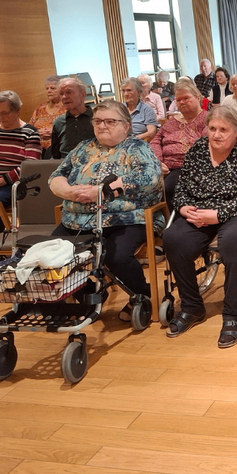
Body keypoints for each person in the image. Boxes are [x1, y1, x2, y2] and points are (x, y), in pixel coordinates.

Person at [161, 105, 237, 347]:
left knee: (233, 243)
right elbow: (181, 187)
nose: (216, 134)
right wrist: (182, 207)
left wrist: (219, 214)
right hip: (200, 211)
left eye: (224, 129)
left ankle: (232, 315)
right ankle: (192, 307)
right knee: (173, 238)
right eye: (212, 128)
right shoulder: (197, 151)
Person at [48, 100, 163, 320]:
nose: (103, 126)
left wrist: (103, 191)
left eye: (110, 121)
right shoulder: (83, 147)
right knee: (51, 258)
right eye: (98, 121)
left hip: (126, 218)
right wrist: (69, 192)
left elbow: (150, 178)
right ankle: (90, 294)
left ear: (126, 126)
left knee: (117, 256)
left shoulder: (137, 148)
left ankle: (142, 295)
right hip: (77, 220)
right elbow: (56, 176)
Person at [150, 77, 209, 210]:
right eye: (178, 100)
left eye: (186, 98)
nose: (181, 102)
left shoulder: (207, 119)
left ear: (198, 97)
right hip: (166, 168)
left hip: (192, 168)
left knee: (169, 187)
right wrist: (158, 162)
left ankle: (178, 220)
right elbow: (155, 141)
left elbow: (205, 146)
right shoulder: (172, 122)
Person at [0, 91, 42, 232]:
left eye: (4, 113)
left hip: (10, 184)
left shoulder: (29, 133)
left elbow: (29, 166)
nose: (0, 118)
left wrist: (2, 180)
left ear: (17, 110)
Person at [50, 76, 95, 158]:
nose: (64, 97)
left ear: (82, 95)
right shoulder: (59, 123)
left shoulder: (97, 119)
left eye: (69, 92)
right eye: (61, 94)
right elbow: (55, 155)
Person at [28, 75, 64, 157]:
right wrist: (37, 133)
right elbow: (29, 128)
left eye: (53, 88)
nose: (49, 91)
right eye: (47, 88)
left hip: (57, 146)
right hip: (37, 145)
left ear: (61, 90)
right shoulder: (40, 108)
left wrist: (55, 133)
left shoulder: (67, 108)